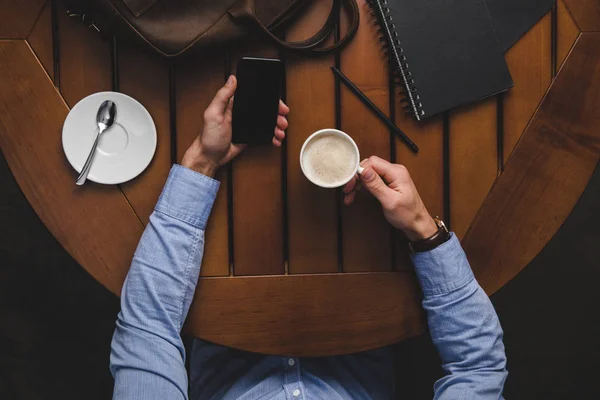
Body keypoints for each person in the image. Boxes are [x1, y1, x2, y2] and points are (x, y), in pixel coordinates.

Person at [109, 75, 507, 400]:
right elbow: (478, 369)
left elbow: (148, 329)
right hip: (364, 319)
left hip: (226, 321)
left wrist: (202, 160)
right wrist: (422, 229)